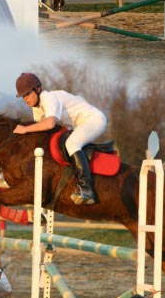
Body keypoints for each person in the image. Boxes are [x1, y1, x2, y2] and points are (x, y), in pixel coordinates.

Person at [13, 72, 107, 206]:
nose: (25, 99)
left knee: (71, 144)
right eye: (23, 96)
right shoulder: (37, 108)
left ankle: (87, 190)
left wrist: (25, 129)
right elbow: (40, 132)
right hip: (78, 125)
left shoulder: (49, 98)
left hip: (94, 120)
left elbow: (49, 124)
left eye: (28, 93)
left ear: (37, 89)